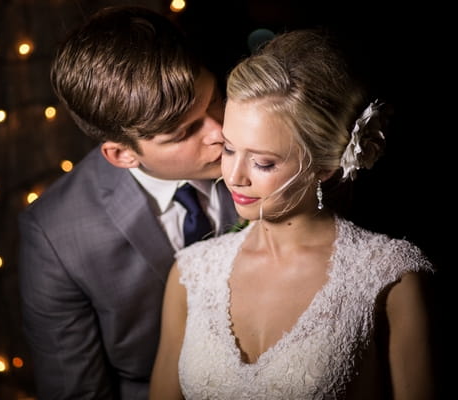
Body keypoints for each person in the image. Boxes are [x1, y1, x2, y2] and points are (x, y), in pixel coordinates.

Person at [149, 29, 435, 399]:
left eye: (263, 162)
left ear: (325, 167)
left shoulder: (389, 277)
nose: (233, 177)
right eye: (230, 149)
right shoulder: (191, 273)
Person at [17, 5, 240, 399]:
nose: (222, 133)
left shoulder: (269, 142)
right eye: (186, 131)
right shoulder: (55, 236)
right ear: (122, 155)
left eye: (215, 100)